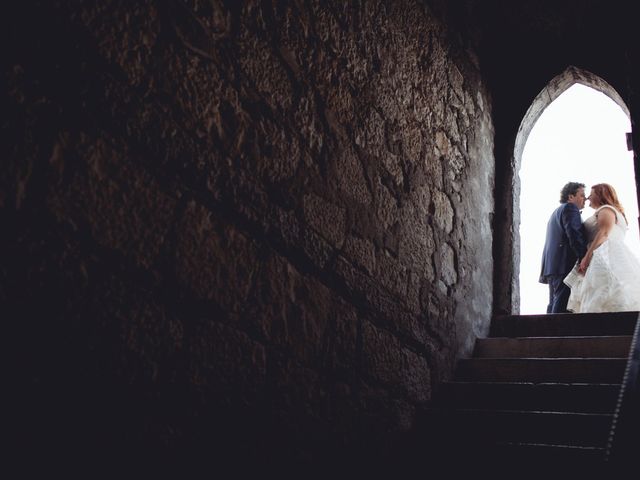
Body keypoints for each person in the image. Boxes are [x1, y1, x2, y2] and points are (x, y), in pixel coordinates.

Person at [564, 183, 640, 312]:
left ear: (600, 195)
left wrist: (587, 257)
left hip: (605, 253)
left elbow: (604, 233)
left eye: (591, 195)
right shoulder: (613, 212)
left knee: (603, 287)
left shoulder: (606, 209)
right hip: (611, 252)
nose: (587, 198)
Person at [539, 182, 588, 313]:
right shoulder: (570, 208)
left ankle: (548, 331)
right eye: (582, 195)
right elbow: (574, 234)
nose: (585, 198)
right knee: (561, 303)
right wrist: (585, 257)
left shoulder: (556, 212)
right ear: (571, 197)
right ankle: (555, 332)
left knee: (553, 302)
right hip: (564, 263)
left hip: (552, 265)